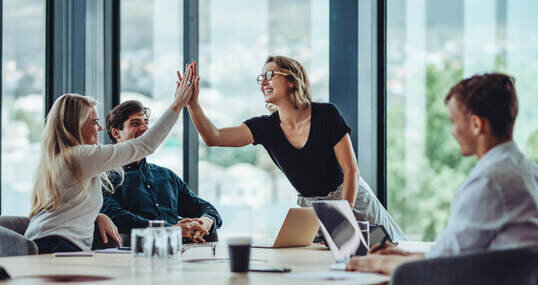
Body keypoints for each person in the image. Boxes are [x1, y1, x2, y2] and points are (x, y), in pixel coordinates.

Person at [183, 55, 406, 241]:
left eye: (270, 75)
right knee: (326, 267)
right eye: (261, 77)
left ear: (292, 80)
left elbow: (351, 171)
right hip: (312, 211)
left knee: (391, 249)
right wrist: (193, 104)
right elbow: (214, 137)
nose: (263, 82)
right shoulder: (265, 127)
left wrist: (341, 217)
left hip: (351, 198)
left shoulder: (327, 114)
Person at [346, 73, 538, 275]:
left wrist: (374, 264)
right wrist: (401, 255)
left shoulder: (489, 182)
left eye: (454, 122)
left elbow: (442, 267)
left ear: (476, 125)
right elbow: (454, 255)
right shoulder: (528, 172)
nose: (453, 132)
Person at [24, 63, 196, 253]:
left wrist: (97, 216)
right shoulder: (79, 156)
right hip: (56, 247)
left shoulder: (60, 159)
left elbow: (66, 206)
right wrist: (178, 104)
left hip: (45, 243)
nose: (99, 128)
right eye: (94, 122)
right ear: (76, 125)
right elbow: (144, 145)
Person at [100, 100, 222, 243]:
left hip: (182, 254)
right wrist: (172, 229)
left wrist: (205, 222)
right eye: (135, 123)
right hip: (136, 255)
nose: (145, 128)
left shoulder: (166, 175)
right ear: (116, 133)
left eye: (146, 122)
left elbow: (207, 209)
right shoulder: (106, 178)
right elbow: (115, 216)